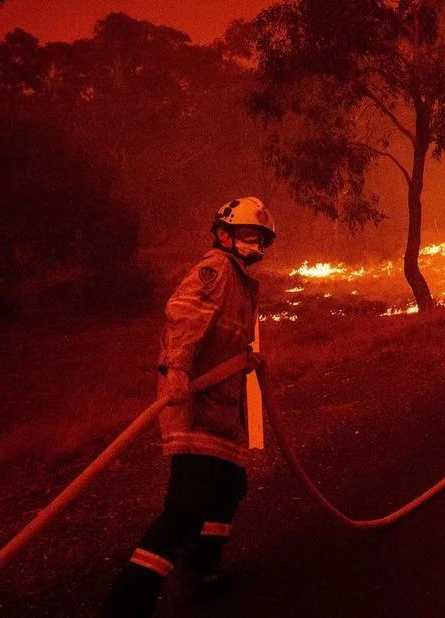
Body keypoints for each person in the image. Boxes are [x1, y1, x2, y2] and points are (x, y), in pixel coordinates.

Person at [105, 197, 276, 616]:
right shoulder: (216, 269)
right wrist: (178, 370)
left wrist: (245, 356)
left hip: (220, 409)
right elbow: (183, 316)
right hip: (195, 404)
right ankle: (127, 603)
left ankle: (201, 573)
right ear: (223, 234)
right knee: (184, 509)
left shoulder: (241, 281)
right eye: (249, 235)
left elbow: (222, 333)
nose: (256, 244)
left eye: (261, 239)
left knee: (229, 487)